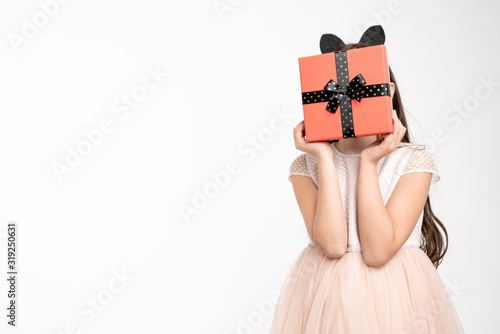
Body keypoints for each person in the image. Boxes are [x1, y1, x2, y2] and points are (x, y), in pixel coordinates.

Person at [268, 40, 465, 333]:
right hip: (326, 299)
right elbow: (334, 245)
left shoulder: (413, 161)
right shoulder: (306, 166)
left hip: (395, 299)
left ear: (388, 91)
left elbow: (377, 251)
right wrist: (322, 154)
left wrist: (369, 162)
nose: (347, 95)